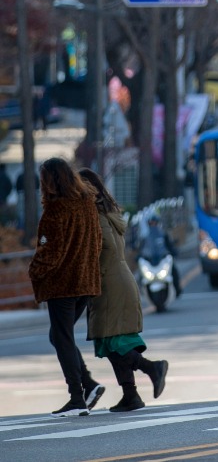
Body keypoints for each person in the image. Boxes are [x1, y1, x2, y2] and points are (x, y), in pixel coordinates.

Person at [78, 169, 170, 412]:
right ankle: (131, 395)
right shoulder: (109, 212)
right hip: (118, 278)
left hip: (110, 283)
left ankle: (152, 368)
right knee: (112, 341)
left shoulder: (95, 216)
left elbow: (101, 248)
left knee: (114, 341)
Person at [28, 157, 106, 417]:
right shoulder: (87, 204)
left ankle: (76, 397)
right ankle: (88, 384)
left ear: (50, 181)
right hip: (85, 282)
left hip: (62, 285)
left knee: (62, 338)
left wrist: (34, 272)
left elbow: (50, 252)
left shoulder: (55, 210)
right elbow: (97, 242)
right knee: (59, 336)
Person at [143, 214, 182, 297]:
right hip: (151, 261)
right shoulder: (145, 237)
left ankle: (177, 289)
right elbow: (142, 249)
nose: (153, 225)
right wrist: (139, 256)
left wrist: (174, 252)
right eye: (151, 223)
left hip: (162, 259)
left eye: (154, 223)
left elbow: (169, 246)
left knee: (174, 271)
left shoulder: (163, 234)